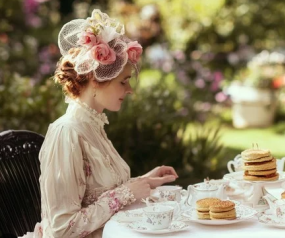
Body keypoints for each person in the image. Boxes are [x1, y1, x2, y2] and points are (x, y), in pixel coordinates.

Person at [22, 9, 178, 238]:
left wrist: (145, 181)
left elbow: (100, 192)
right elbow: (61, 229)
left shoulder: (93, 126)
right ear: (96, 80)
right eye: (123, 81)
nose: (130, 90)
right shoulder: (67, 132)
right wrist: (125, 193)